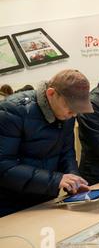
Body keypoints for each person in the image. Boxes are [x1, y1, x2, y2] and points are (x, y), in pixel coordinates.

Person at [0, 69, 92, 217]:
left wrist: (74, 181)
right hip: (11, 205)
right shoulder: (12, 111)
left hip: (46, 199)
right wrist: (56, 179)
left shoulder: (67, 116)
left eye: (78, 109)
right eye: (70, 108)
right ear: (51, 94)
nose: (74, 114)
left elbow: (67, 154)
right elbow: (4, 166)